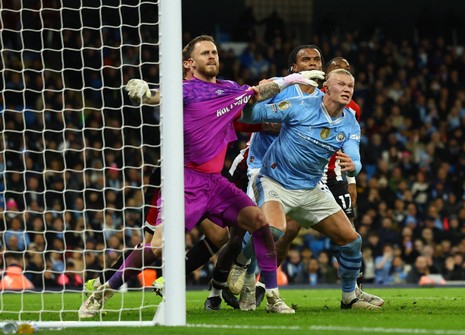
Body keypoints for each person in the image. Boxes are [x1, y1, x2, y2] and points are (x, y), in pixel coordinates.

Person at [78, 34, 321, 318]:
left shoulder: (229, 89)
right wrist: (145, 93)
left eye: (215, 52)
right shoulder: (184, 89)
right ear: (189, 63)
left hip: (215, 182)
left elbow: (258, 91)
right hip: (185, 180)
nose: (213, 57)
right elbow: (159, 95)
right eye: (206, 53)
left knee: (259, 222)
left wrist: (293, 80)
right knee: (157, 248)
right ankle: (103, 291)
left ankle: (272, 296)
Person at [224, 56, 384, 310]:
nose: (346, 89)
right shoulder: (299, 105)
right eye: (340, 84)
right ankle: (242, 262)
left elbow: (354, 154)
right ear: (326, 88)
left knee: (352, 240)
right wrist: (254, 99)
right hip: (275, 181)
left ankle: (349, 297)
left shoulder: (350, 121)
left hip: (311, 188)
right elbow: (254, 115)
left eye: (350, 86)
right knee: (273, 230)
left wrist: (355, 165)